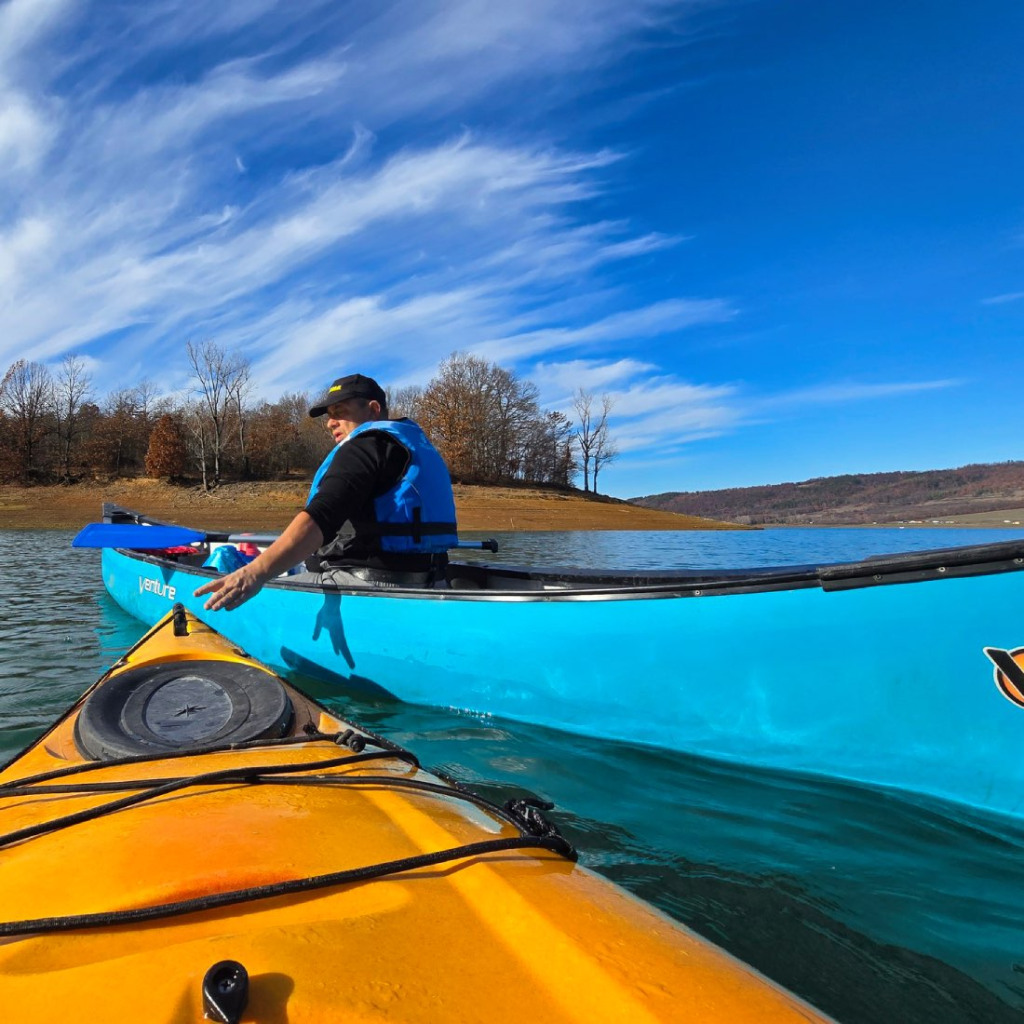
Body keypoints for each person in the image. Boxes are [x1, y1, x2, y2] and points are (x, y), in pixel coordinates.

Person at [195, 373, 457, 612]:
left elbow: (319, 518)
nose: (330, 423)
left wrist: (255, 572)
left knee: (244, 585)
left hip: (368, 588)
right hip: (434, 582)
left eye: (340, 412)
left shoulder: (364, 447)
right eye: (329, 415)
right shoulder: (414, 444)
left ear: (373, 409)